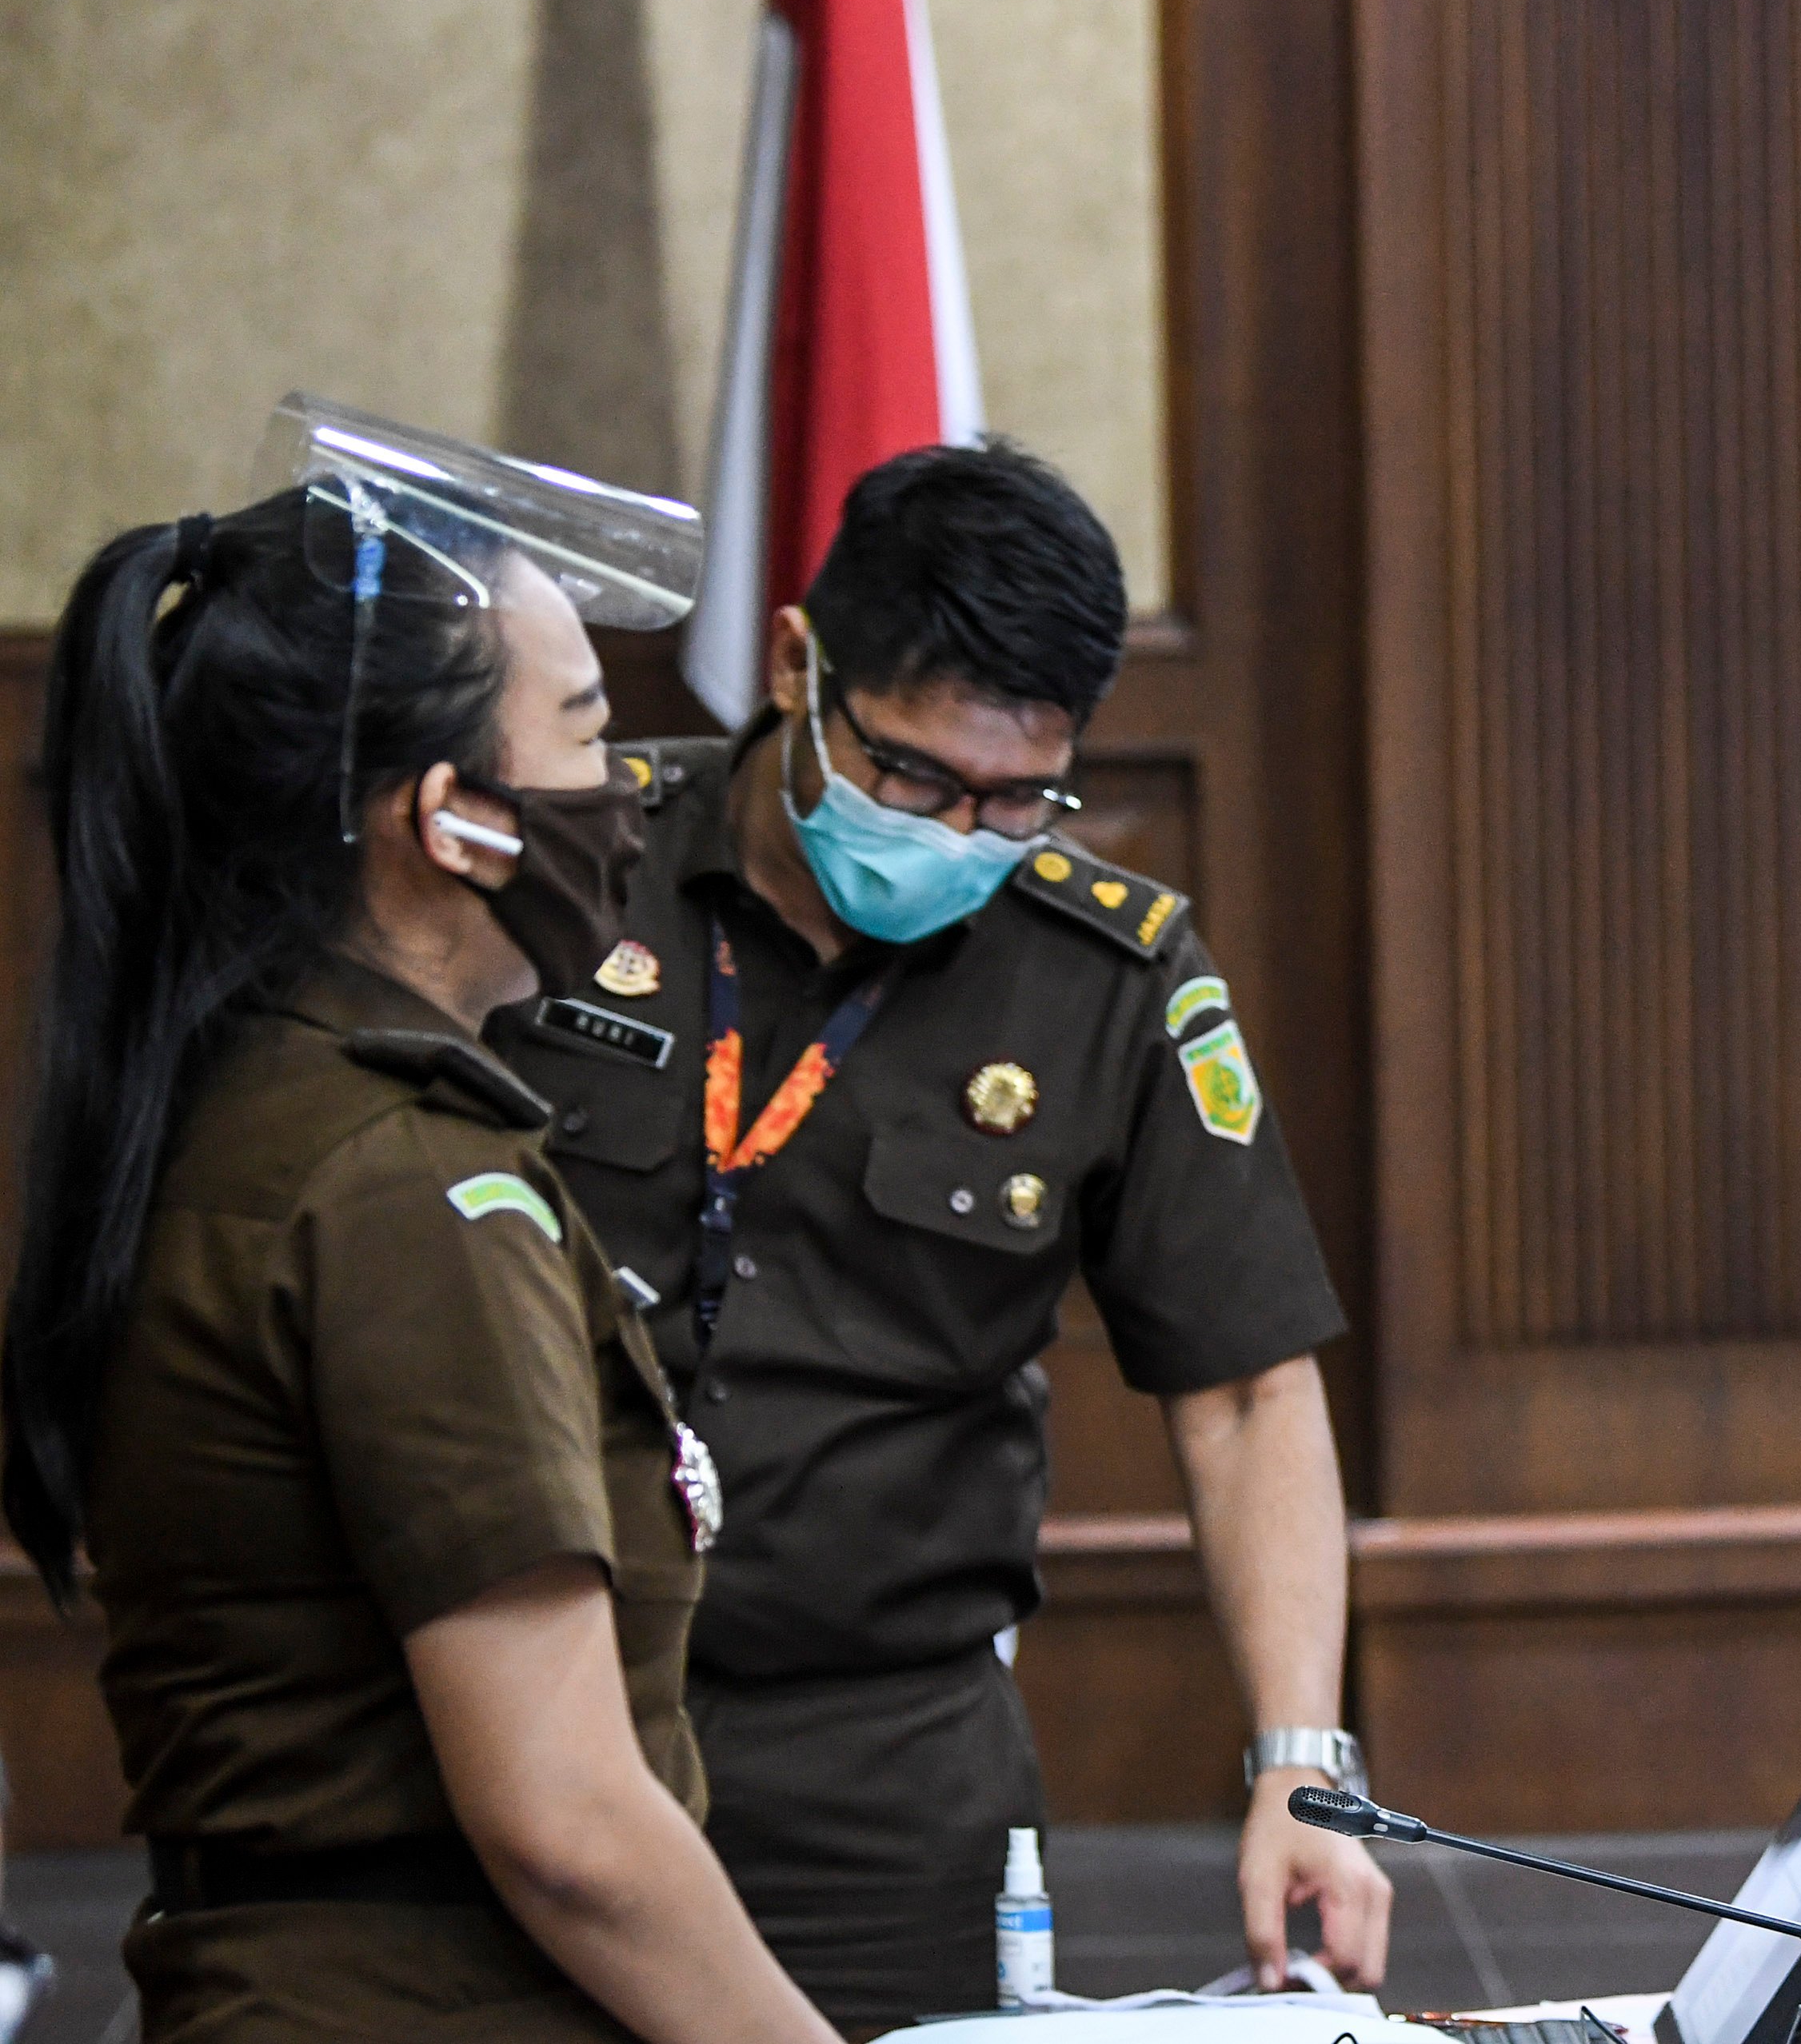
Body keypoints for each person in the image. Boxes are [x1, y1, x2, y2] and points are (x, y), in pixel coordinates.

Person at [488, 439, 1387, 2034]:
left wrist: (1300, 1760)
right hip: (525, 1707)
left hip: (877, 1769)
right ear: (793, 665)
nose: (962, 832)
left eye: (1018, 793)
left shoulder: (1104, 973)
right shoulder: (570, 868)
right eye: (913, 775)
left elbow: (1247, 1389)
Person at [2, 409, 840, 2040]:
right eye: (588, 733)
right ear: (451, 818)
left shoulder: (265, 1096)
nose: (628, 793)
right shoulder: (403, 1180)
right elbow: (572, 1828)